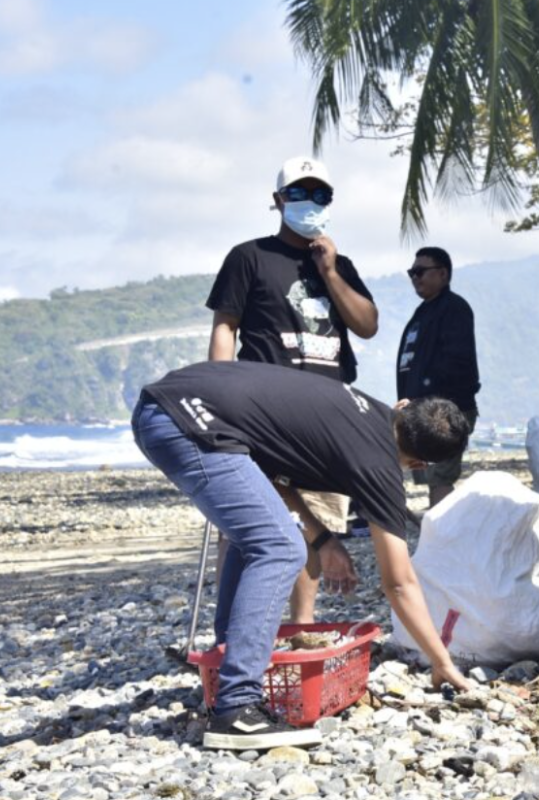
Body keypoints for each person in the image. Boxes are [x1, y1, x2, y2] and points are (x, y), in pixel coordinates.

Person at [131, 361, 471, 750]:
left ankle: (229, 668)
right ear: (419, 465)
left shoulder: (360, 409)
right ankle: (236, 708)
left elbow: (271, 479)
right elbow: (398, 582)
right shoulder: (378, 461)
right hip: (190, 426)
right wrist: (441, 661)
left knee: (259, 538)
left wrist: (324, 540)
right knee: (279, 547)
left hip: (169, 404)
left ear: (403, 405)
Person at [207, 156, 379, 623]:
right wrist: (217, 395)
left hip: (327, 413)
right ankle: (231, 632)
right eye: (299, 194)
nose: (310, 203)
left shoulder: (339, 264)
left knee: (318, 517)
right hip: (260, 409)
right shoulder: (249, 257)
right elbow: (226, 326)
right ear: (278, 201)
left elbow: (367, 325)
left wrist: (329, 273)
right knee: (246, 521)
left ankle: (301, 626)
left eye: (320, 195)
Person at [396, 247, 481, 507]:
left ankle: (442, 537)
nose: (415, 277)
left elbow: (458, 362)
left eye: (421, 271)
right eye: (412, 273)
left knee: (440, 474)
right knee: (428, 474)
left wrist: (440, 407)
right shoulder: (422, 312)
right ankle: (437, 533)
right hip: (420, 409)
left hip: (443, 412)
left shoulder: (454, 308)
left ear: (443, 274)